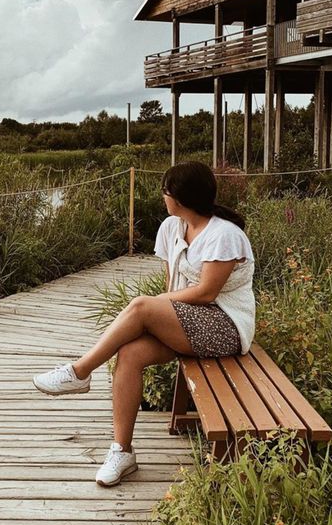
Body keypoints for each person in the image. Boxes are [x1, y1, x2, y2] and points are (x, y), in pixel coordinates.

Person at [32, 161, 255, 486]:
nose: (163, 196)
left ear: (179, 197)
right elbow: (172, 286)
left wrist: (155, 309)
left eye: (166, 191)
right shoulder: (171, 228)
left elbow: (207, 293)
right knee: (131, 354)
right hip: (188, 323)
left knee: (140, 307)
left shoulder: (225, 235)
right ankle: (122, 451)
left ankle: (79, 372)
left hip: (225, 327)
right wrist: (160, 313)